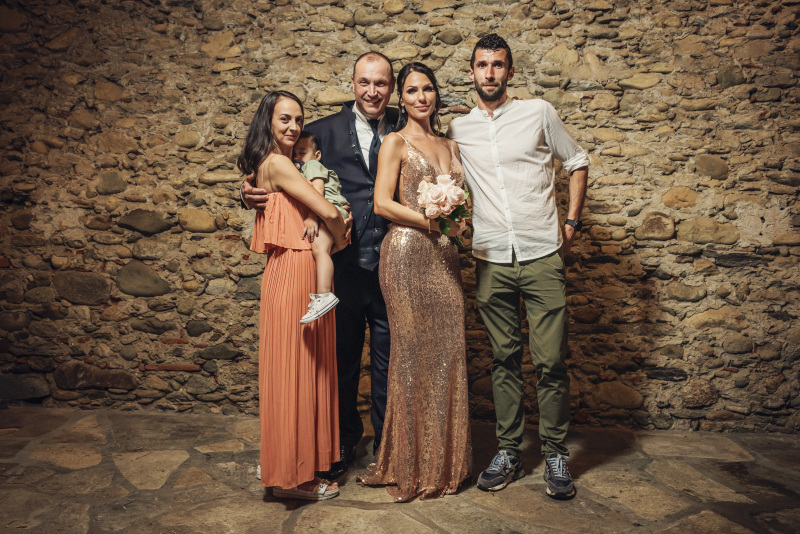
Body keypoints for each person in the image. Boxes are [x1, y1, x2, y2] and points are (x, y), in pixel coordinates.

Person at [242, 52, 398, 479]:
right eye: (364, 82)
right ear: (352, 84)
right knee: (337, 363)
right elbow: (277, 170)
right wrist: (248, 191)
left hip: (393, 266)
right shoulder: (320, 130)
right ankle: (342, 443)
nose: (372, 91)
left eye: (381, 83)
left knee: (389, 364)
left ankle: (386, 446)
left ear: (391, 87)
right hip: (340, 266)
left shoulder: (407, 124)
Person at [447, 34, 589, 500]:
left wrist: (571, 223)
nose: (489, 73)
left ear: (510, 72)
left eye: (498, 65)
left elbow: (578, 160)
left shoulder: (539, 112)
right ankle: (509, 451)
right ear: (472, 72)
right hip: (491, 257)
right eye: (482, 65)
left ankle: (555, 454)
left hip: (542, 252)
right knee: (503, 359)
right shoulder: (458, 129)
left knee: (550, 361)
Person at [357, 62, 472, 502]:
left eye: (427, 89)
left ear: (435, 94)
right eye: (411, 91)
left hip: (445, 257)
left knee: (448, 354)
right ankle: (408, 464)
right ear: (400, 99)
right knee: (410, 356)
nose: (421, 97)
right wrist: (434, 221)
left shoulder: (451, 145)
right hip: (406, 255)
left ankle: (444, 462)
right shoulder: (395, 141)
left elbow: (462, 205)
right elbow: (382, 204)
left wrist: (458, 222)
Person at [239, 90, 348, 500]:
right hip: (297, 269)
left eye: (298, 119)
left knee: (296, 372)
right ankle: (296, 479)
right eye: (285, 119)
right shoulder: (280, 164)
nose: (294, 126)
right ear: (267, 121)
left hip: (287, 269)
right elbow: (330, 211)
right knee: (298, 373)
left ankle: (284, 463)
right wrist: (339, 237)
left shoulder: (271, 165)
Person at [292, 131, 350, 324]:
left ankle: (324, 295)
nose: (297, 157)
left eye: (302, 153)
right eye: (294, 154)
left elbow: (318, 191)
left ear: (317, 155)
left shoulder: (312, 165)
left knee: (319, 250)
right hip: (332, 210)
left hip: (327, 210)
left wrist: (312, 217)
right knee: (324, 250)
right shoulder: (304, 167)